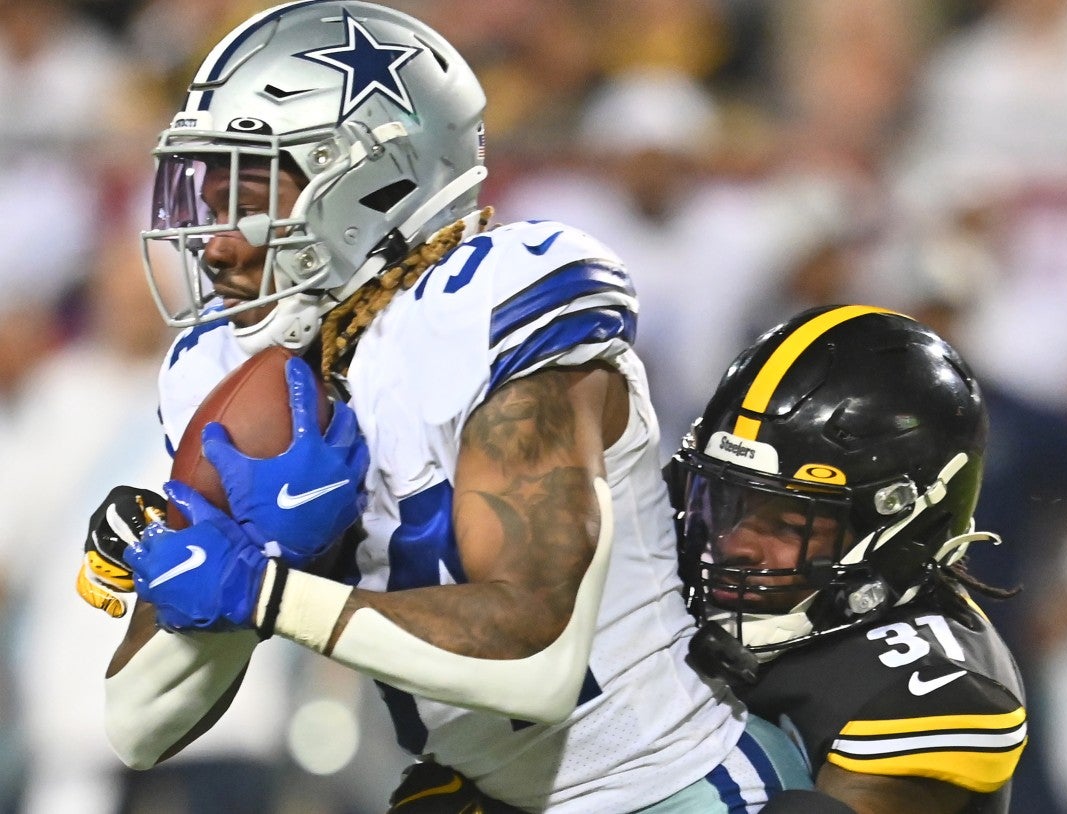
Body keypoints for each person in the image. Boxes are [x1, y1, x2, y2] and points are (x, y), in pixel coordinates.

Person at [75, 2, 809, 812]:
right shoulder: (230, 369)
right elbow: (137, 724)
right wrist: (245, 570)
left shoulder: (493, 304)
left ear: (370, 177)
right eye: (207, 192)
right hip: (483, 794)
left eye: (251, 188)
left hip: (666, 783)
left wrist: (266, 593)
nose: (214, 240)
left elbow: (538, 658)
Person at [667, 305, 1028, 813]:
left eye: (790, 524)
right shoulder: (691, 549)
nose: (734, 543)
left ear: (901, 529)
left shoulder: (924, 686)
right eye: (723, 502)